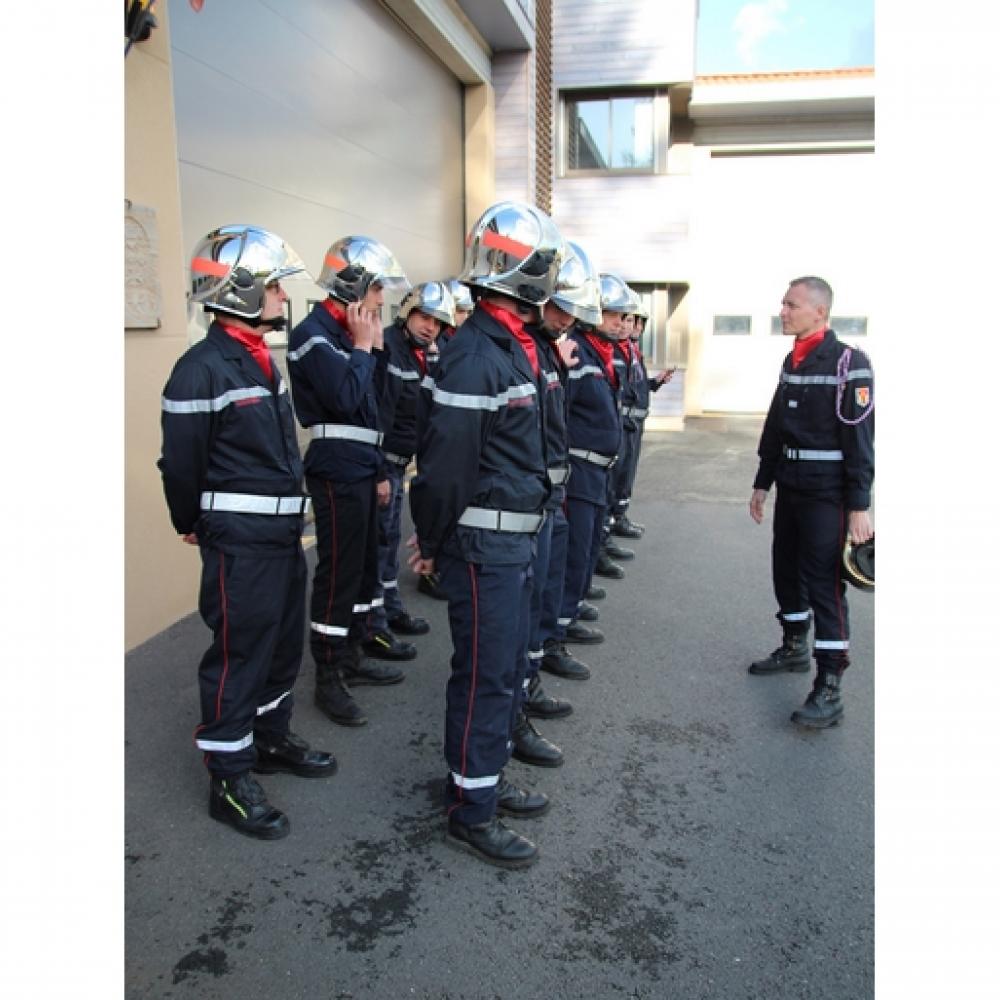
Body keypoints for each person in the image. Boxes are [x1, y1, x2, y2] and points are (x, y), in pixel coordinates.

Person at [158, 225, 337, 841]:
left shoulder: (263, 360)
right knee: (238, 658)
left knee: (283, 649)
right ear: (237, 290)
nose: (284, 299)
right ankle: (228, 778)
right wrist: (191, 522)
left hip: (283, 539)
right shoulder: (200, 369)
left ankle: (268, 740)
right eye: (273, 288)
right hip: (241, 545)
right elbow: (180, 463)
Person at [408, 200, 566, 869]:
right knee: (486, 677)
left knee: (498, 672)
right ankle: (471, 811)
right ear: (521, 273)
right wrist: (433, 544)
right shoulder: (477, 354)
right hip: (484, 545)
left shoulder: (507, 343)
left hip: (514, 541)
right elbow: (443, 470)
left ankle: (478, 779)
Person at [286, 235, 411, 730]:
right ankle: (328, 673)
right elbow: (342, 397)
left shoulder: (347, 335)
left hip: (362, 461)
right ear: (354, 284)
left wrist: (373, 352)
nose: (382, 299)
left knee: (360, 571)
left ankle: (353, 654)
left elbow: (373, 406)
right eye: (377, 288)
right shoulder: (312, 334)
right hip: (335, 463)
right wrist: (364, 348)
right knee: (337, 574)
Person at [748, 276, 874, 729]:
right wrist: (763, 482)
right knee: (786, 571)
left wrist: (860, 505)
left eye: (791, 304)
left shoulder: (848, 363)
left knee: (824, 585)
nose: (783, 311)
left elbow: (860, 439)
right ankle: (794, 646)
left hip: (828, 494)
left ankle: (830, 686)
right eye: (783, 303)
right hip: (792, 488)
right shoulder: (792, 361)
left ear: (819, 312)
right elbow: (775, 426)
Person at [367, 281, 456, 645]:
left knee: (388, 540)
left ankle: (389, 608)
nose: (429, 326)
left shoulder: (424, 355)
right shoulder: (387, 348)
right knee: (378, 545)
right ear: (407, 312)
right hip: (383, 465)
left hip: (400, 463)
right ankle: (376, 624)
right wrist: (377, 472)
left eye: (437, 321)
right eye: (423, 316)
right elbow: (374, 413)